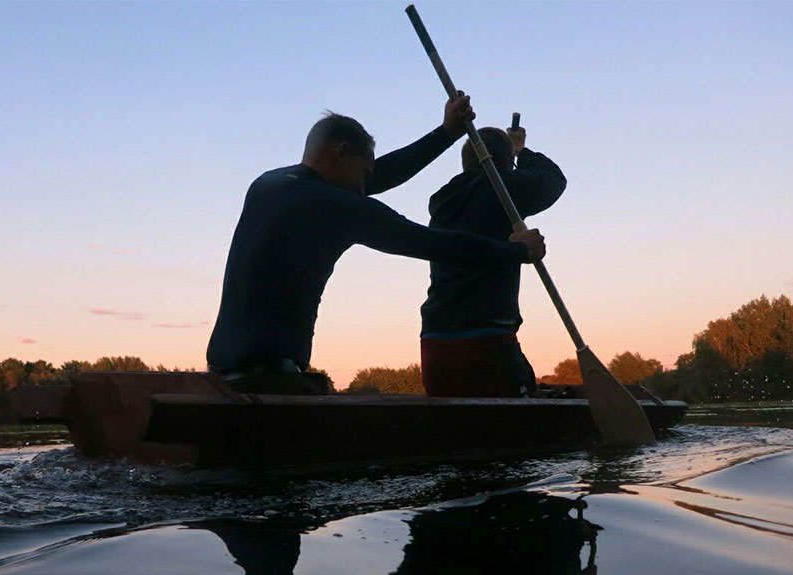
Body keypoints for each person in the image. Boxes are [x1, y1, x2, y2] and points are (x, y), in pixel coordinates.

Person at [205, 97, 546, 394]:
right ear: (342, 154)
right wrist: (518, 251)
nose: (366, 186)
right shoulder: (338, 206)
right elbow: (430, 242)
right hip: (270, 380)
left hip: (222, 372)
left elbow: (381, 174)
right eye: (364, 175)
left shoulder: (268, 185)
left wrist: (446, 133)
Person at [420, 123, 567, 397]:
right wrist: (521, 150)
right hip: (487, 337)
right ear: (505, 164)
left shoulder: (442, 202)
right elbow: (554, 181)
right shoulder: (500, 187)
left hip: (434, 338)